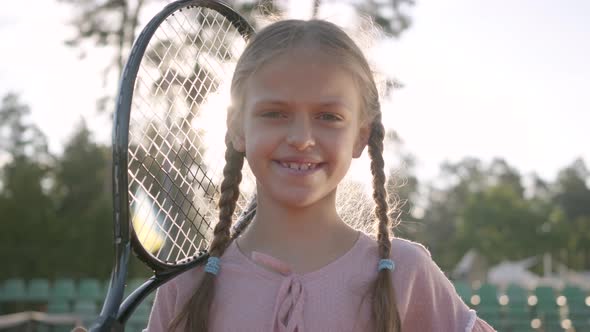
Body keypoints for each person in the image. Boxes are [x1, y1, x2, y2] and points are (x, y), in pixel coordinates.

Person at [145, 19, 497, 332]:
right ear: (238, 128)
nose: (301, 138)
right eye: (274, 113)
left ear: (361, 135)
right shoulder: (188, 285)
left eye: (328, 116)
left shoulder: (405, 274)